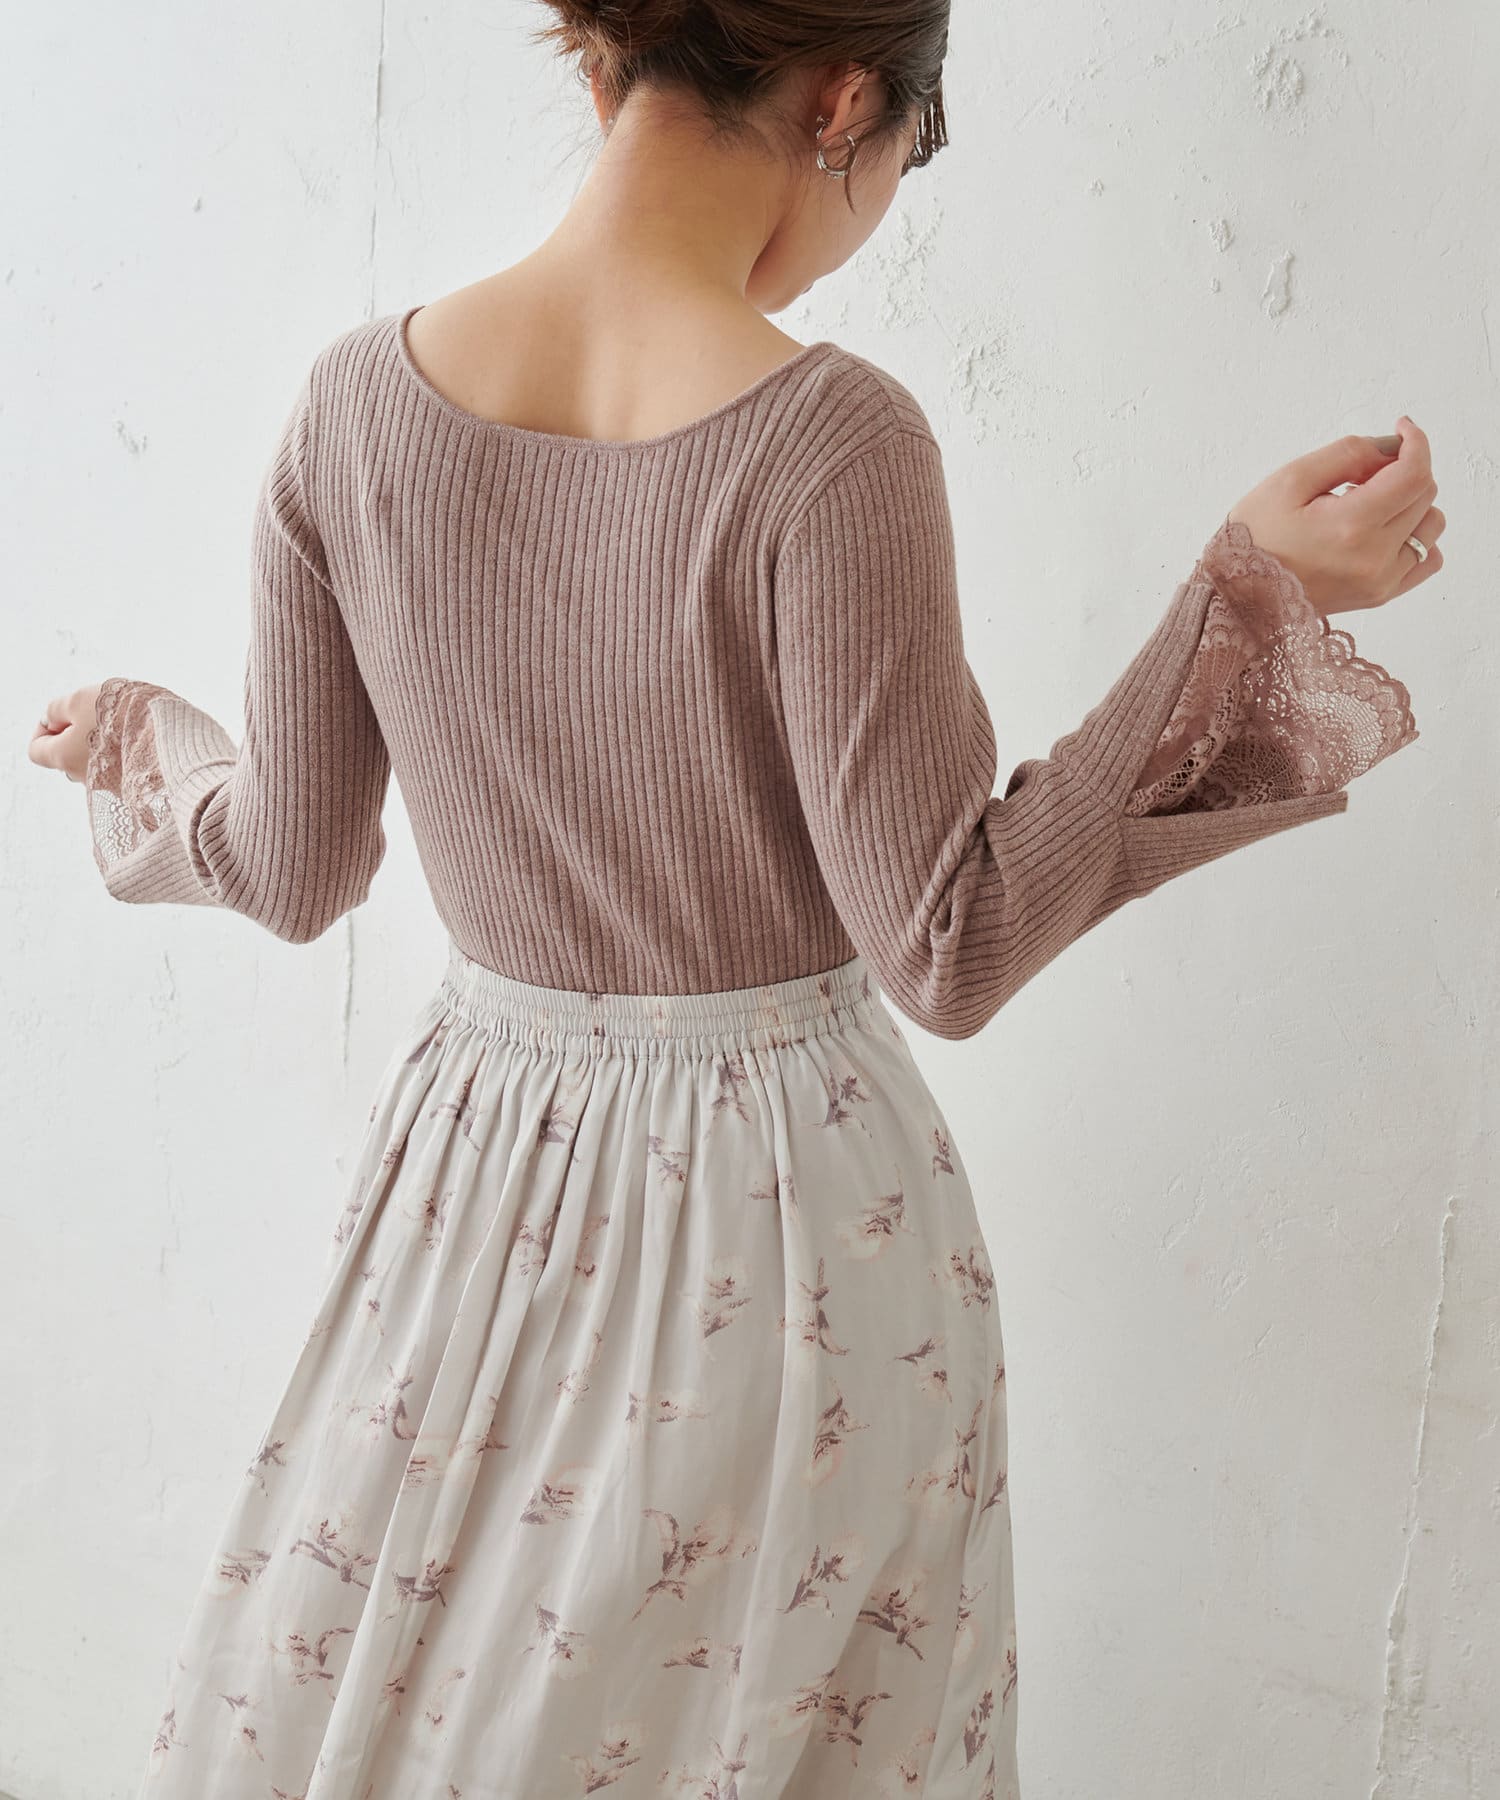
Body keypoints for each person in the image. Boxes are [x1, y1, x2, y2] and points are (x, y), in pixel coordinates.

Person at [29, 1, 1436, 1794]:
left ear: (601, 60)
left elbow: (294, 863)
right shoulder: (831, 440)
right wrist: (1245, 604)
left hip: (478, 1188)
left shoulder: (352, 409)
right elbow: (950, 942)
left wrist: (144, 747)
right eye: (911, 154)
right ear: (846, 103)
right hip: (785, 1227)